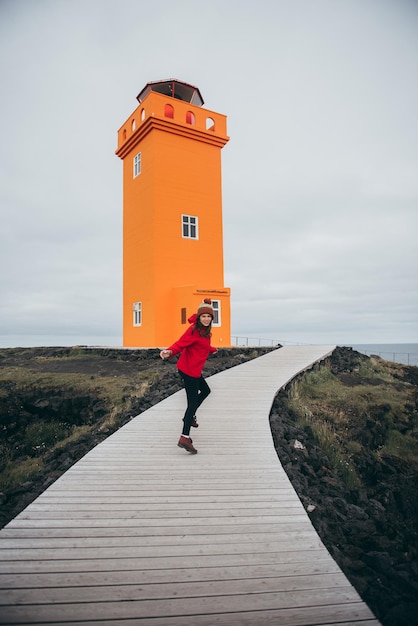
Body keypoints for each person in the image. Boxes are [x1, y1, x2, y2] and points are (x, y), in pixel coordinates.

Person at [160, 298, 217, 454]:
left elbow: (201, 345)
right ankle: (184, 436)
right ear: (198, 317)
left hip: (194, 370)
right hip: (188, 371)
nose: (206, 319)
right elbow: (181, 344)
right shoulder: (194, 330)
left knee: (206, 391)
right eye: (203, 316)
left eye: (209, 316)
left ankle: (190, 417)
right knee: (192, 403)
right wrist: (169, 352)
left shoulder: (206, 332)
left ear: (212, 318)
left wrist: (212, 349)